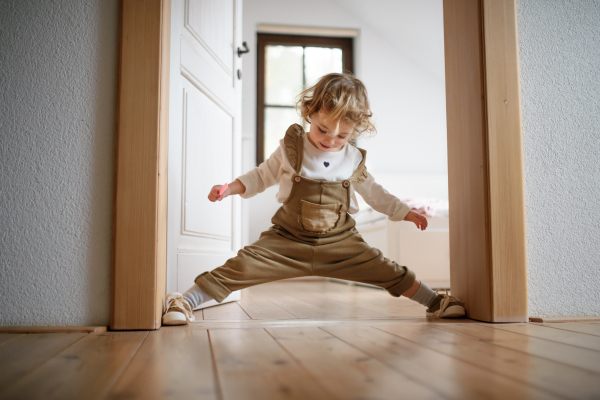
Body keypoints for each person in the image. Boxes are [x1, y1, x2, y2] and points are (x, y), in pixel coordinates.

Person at [162, 73, 465, 326]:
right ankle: (184, 301)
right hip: (287, 240)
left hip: (341, 243)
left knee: (387, 270)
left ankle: (434, 300)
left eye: (342, 136)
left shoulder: (354, 159)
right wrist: (230, 188)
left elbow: (375, 193)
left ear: (354, 131)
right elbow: (261, 176)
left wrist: (404, 212)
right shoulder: (291, 148)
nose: (331, 140)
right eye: (323, 129)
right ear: (310, 113)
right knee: (241, 265)